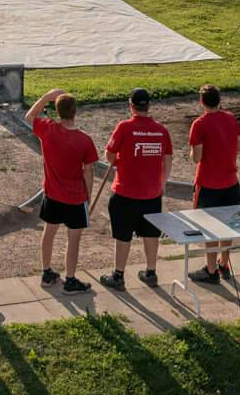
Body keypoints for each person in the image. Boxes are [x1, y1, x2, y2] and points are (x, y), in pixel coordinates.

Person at [93, 87, 174, 290]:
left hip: (125, 193)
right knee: (150, 234)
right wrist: (162, 183)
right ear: (148, 106)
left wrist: (121, 159)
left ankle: (118, 276)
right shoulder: (162, 130)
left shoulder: (124, 127)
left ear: (131, 106)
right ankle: (151, 272)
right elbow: (168, 160)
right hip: (152, 195)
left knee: (123, 235)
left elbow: (109, 156)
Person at [27, 88, 98, 293]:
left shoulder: (48, 129)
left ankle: (47, 272)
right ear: (75, 111)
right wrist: (89, 196)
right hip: (76, 198)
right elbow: (88, 172)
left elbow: (30, 116)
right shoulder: (84, 140)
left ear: (57, 111)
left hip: (52, 194)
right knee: (73, 238)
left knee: (49, 232)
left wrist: (45, 97)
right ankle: (70, 279)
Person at [187, 85, 240, 284]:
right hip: (230, 182)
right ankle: (224, 264)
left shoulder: (199, 124)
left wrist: (192, 152)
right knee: (227, 226)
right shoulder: (230, 118)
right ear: (220, 100)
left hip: (208, 184)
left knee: (209, 228)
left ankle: (211, 271)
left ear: (202, 102)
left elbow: (197, 158)